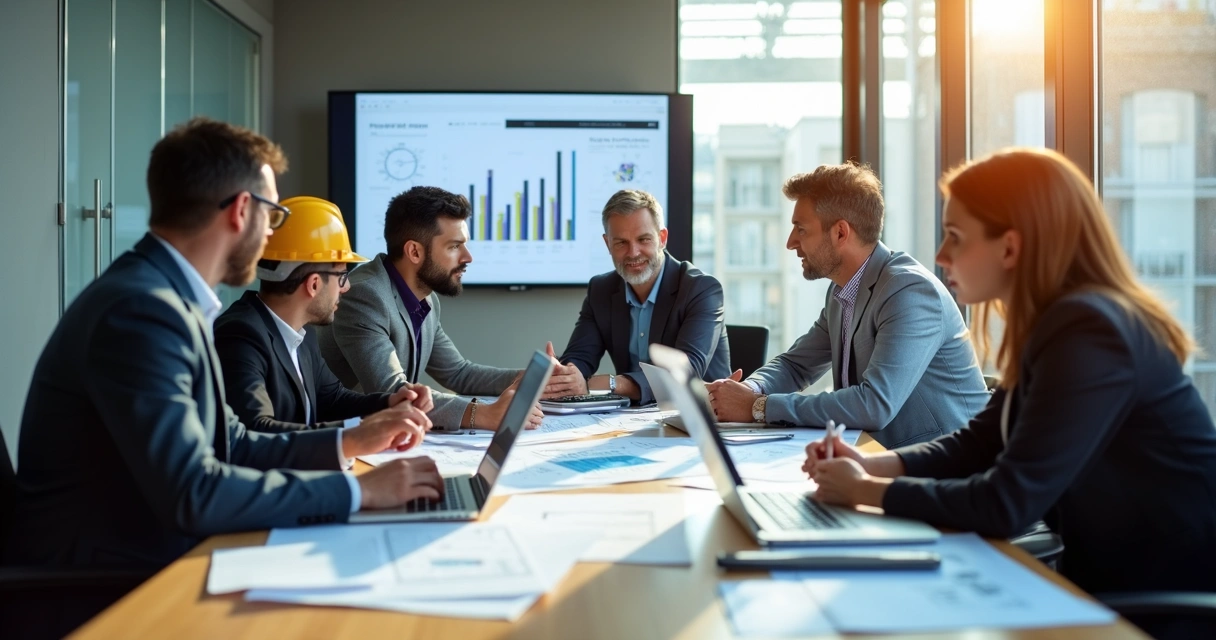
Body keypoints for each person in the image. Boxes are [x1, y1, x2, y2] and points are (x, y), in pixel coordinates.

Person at [5, 118, 445, 577]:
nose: (270, 236)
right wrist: (360, 492)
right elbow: (193, 491)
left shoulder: (167, 297)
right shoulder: (142, 310)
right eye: (272, 216)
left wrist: (350, 441)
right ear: (241, 210)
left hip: (140, 554)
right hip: (99, 582)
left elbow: (231, 442)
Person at [803, 148, 1216, 622]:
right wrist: (873, 466)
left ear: (1010, 248)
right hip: (1108, 583)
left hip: (1162, 603)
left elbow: (1005, 502)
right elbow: (980, 442)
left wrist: (864, 491)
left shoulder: (1090, 333)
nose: (940, 255)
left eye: (955, 237)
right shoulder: (1059, 324)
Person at [707, 162, 989, 447]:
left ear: (841, 233)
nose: (790, 243)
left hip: (947, 463)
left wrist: (758, 407)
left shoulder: (909, 291)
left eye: (801, 230)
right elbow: (796, 365)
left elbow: (874, 405)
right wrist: (746, 390)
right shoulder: (842, 290)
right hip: (876, 454)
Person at [317, 186, 545, 431]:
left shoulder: (426, 298)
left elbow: (458, 373)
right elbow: (392, 391)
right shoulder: (364, 295)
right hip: (344, 437)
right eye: (454, 246)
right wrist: (484, 414)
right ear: (414, 251)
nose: (468, 257)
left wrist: (527, 378)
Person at [214, 196, 435, 433]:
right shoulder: (240, 336)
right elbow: (257, 430)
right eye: (342, 276)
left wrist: (391, 402)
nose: (346, 287)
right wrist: (359, 433)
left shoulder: (303, 333)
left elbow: (332, 400)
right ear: (314, 284)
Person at [546, 189, 729, 404]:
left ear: (662, 238)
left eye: (643, 239)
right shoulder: (601, 289)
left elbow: (684, 374)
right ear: (607, 244)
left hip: (699, 414)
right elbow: (580, 355)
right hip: (631, 416)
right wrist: (567, 374)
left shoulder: (701, 289)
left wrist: (610, 383)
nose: (633, 253)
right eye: (621, 243)